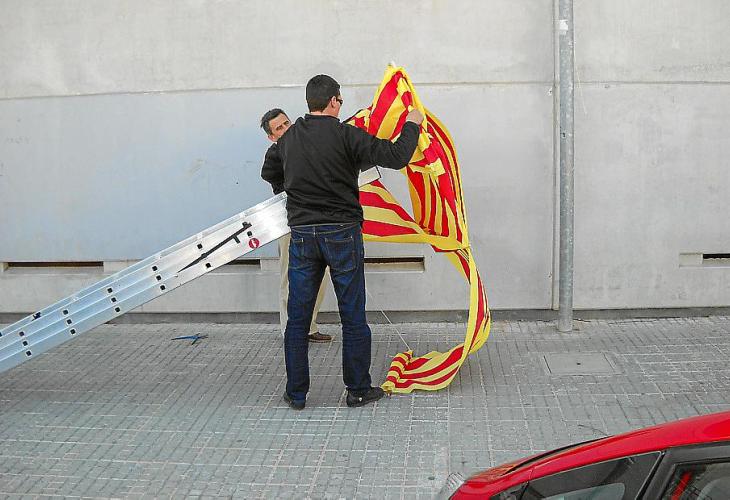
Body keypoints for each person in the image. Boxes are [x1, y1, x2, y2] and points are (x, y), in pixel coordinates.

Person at [263, 74, 423, 410]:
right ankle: (358, 390)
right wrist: (412, 123)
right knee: (351, 314)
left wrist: (293, 191)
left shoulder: (288, 139)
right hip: (342, 233)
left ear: (309, 102)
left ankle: (296, 394)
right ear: (334, 101)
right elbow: (396, 156)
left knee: (298, 318)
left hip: (303, 235)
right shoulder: (348, 135)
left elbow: (269, 172)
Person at [260, 109, 332, 343]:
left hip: (316, 220)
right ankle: (290, 331)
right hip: (290, 223)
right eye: (279, 128)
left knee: (320, 275)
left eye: (286, 123)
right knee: (290, 278)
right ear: (272, 137)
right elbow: (268, 174)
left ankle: (309, 327)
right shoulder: (275, 154)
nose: (285, 129)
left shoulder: (308, 145)